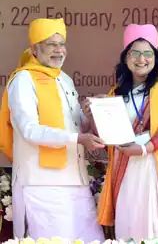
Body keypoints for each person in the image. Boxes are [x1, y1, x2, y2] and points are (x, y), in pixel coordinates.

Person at [83, 24, 158, 243]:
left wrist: (145, 148)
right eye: (135, 52)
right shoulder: (116, 93)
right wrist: (93, 116)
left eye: (147, 53)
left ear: (155, 56)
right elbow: (107, 137)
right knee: (132, 221)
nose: (141, 59)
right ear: (126, 58)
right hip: (130, 167)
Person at [0, 18, 105, 242]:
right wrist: (79, 137)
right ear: (34, 49)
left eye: (62, 44)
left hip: (76, 182)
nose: (59, 50)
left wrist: (91, 113)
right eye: (51, 44)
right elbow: (30, 130)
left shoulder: (65, 80)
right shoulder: (23, 80)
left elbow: (77, 126)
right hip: (41, 184)